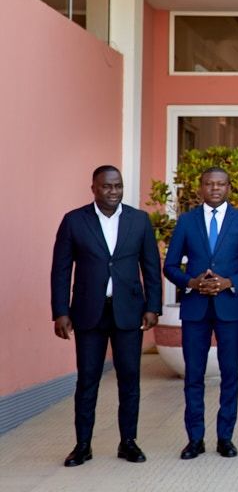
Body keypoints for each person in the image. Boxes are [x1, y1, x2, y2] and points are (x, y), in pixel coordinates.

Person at [50, 165, 162, 467]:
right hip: (88, 313)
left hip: (129, 312)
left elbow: (151, 266)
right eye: (107, 187)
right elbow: (61, 269)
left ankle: (128, 442)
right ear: (94, 189)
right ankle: (82, 445)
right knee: (87, 380)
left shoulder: (139, 220)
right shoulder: (74, 221)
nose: (113, 192)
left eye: (118, 186)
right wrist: (60, 311)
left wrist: (154, 307)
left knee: (129, 379)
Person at [163, 167, 238, 459]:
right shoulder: (187, 221)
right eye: (209, 184)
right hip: (195, 309)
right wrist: (191, 283)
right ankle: (195, 439)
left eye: (220, 184)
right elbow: (171, 265)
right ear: (200, 188)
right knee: (193, 375)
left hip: (230, 308)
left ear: (229, 187)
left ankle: (225, 438)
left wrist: (230, 282)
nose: (215, 189)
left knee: (230, 375)